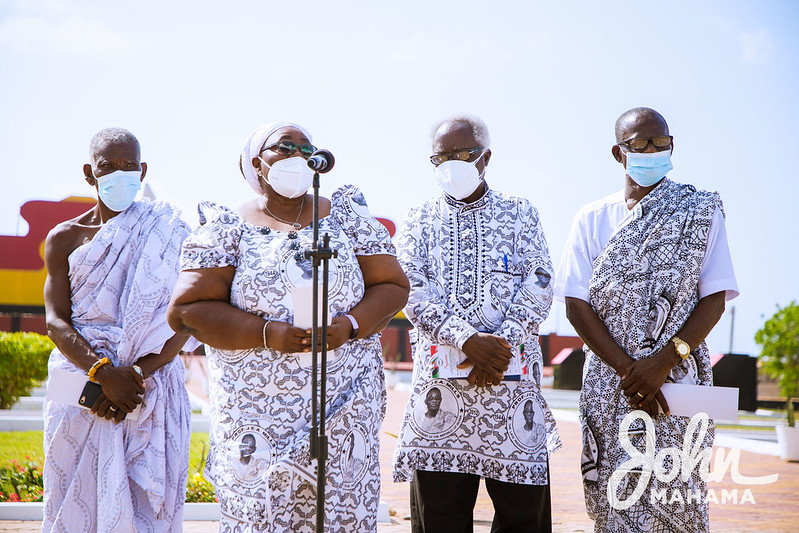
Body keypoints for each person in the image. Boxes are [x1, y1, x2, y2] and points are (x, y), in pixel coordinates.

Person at [167, 122, 409, 532]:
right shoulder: (229, 226)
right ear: (257, 165)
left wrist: (350, 325)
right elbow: (187, 309)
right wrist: (266, 333)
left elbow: (392, 285)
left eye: (305, 147)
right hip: (256, 418)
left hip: (344, 406)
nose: (297, 155)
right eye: (284, 146)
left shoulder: (347, 217)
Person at [555, 107, 739, 532]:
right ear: (619, 153)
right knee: (614, 504)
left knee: (679, 500)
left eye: (661, 143)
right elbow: (575, 304)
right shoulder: (591, 218)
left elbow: (714, 297)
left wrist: (662, 363)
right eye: (640, 144)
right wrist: (632, 372)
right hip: (610, 385)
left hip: (678, 382)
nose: (653, 151)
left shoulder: (700, 209)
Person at [392, 115, 559, 533]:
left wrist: (497, 349)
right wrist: (468, 341)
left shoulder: (519, 212)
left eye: (463, 153)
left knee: (523, 518)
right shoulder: (418, 218)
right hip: (440, 397)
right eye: (441, 156)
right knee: (440, 517)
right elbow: (411, 289)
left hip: (511, 389)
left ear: (485, 157)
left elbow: (539, 282)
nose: (452, 163)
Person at [42, 128, 195, 532]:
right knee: (71, 501)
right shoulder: (64, 238)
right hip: (76, 380)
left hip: (153, 383)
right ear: (89, 174)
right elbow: (56, 322)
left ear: (142, 170)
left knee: (147, 507)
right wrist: (104, 375)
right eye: (108, 166)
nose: (120, 174)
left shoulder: (169, 233)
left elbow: (185, 313)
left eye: (130, 166)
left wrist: (139, 372)